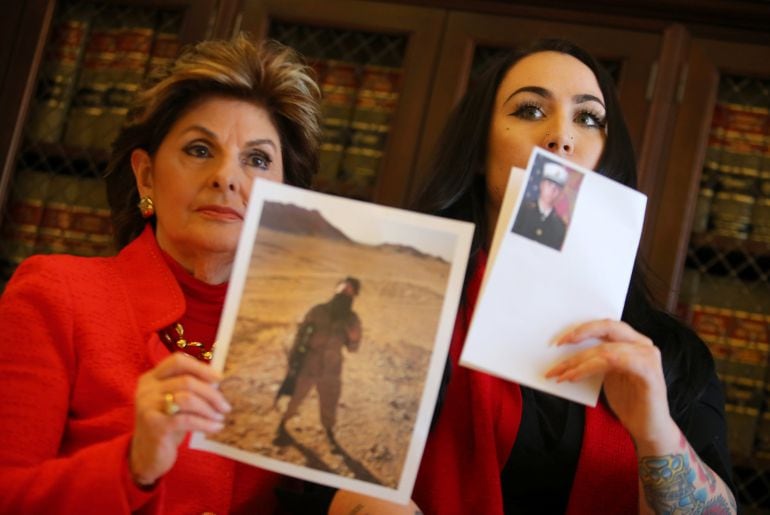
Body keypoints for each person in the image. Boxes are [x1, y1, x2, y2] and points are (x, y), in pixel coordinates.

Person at [331, 39, 737, 515]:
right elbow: (316, 478)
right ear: (480, 152)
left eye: (588, 118)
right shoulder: (395, 310)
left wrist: (656, 431)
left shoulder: (672, 357)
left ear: (609, 159)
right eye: (529, 110)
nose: (561, 137)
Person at [0, 35, 323, 514]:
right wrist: (133, 465)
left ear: (286, 198)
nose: (226, 177)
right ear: (146, 176)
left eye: (256, 160)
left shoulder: (309, 335)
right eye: (198, 149)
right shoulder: (55, 294)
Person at [274, 277, 362, 449]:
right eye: (343, 288)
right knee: (295, 396)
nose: (345, 291)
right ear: (336, 289)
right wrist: (293, 362)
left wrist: (353, 338)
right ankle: (282, 424)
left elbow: (353, 348)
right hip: (308, 364)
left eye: (349, 290)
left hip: (332, 368)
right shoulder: (317, 310)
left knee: (330, 401)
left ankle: (329, 432)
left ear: (354, 295)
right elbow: (300, 337)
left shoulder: (352, 320)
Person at [511, 161, 569, 250]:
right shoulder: (521, 209)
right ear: (541, 185)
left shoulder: (560, 228)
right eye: (549, 184)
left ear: (561, 193)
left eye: (557, 187)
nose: (552, 190)